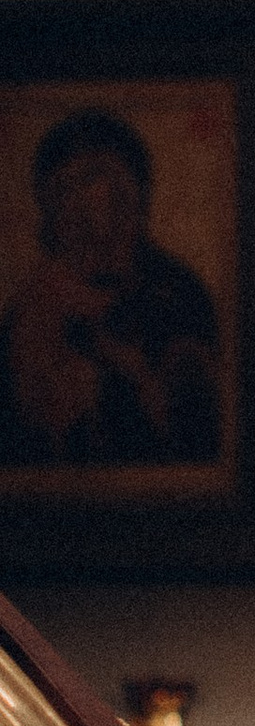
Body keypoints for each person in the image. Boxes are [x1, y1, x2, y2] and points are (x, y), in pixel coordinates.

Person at [0, 105, 224, 466]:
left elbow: (195, 436)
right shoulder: (29, 314)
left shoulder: (178, 298)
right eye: (60, 187)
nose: (77, 203)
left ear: (134, 194)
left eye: (91, 178)